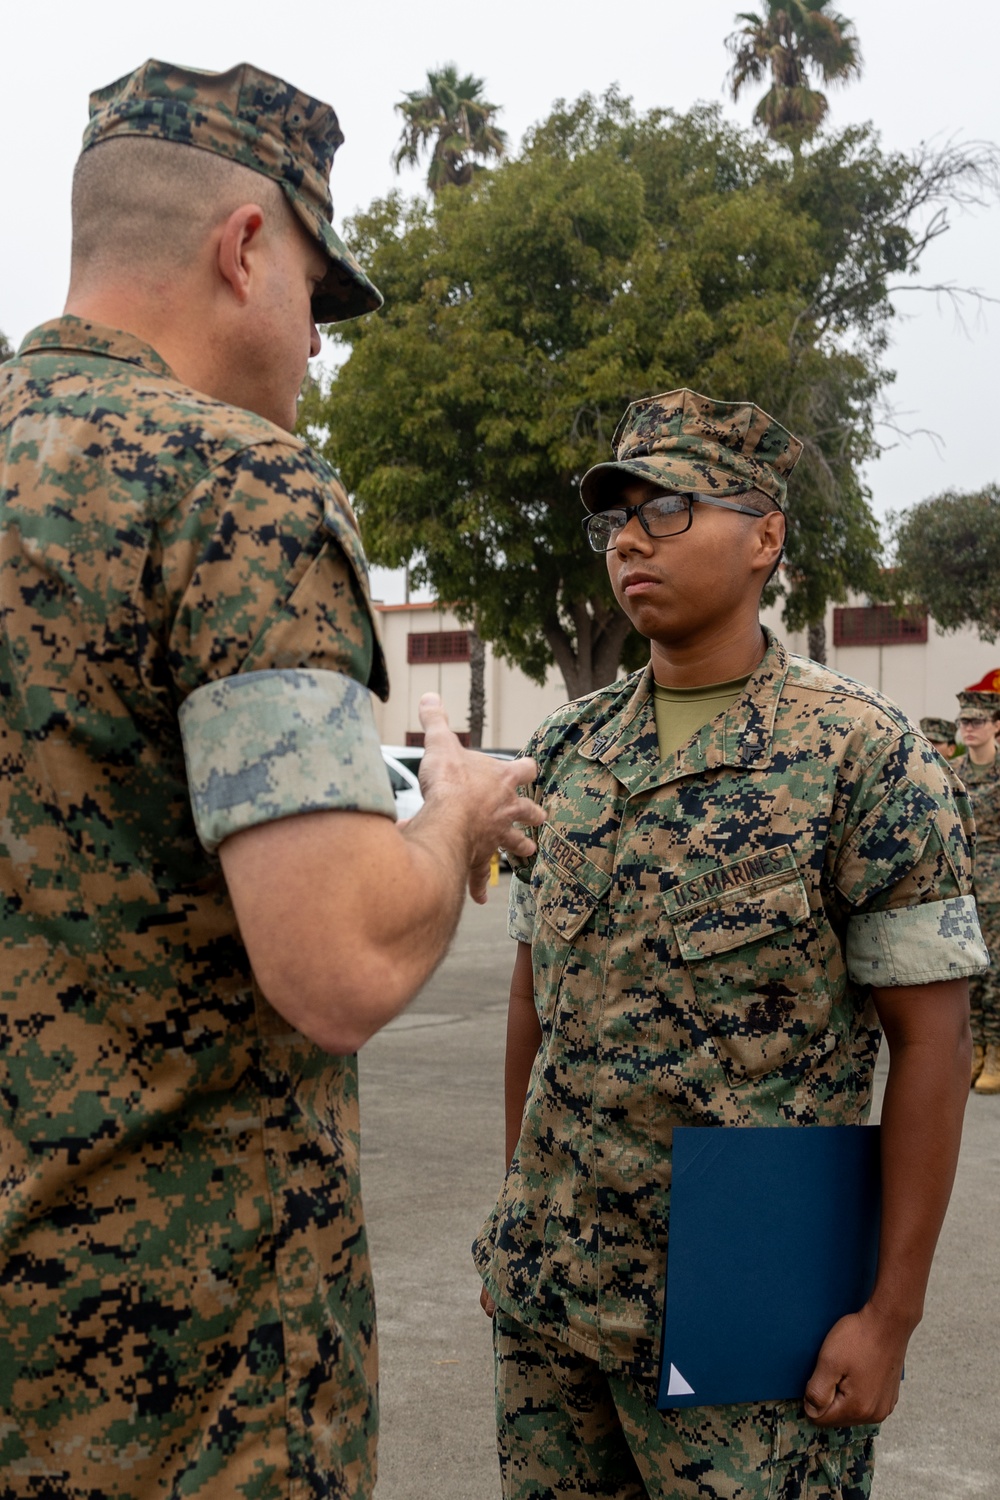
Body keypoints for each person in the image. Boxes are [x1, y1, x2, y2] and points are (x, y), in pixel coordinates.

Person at [0, 59, 543, 1500]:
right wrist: (455, 815)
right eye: (316, 293)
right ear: (246, 250)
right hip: (183, 1385)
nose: (316, 345)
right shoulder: (235, 488)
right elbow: (339, 962)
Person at [473, 388, 986, 1500]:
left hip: (753, 1317)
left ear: (766, 537)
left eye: (668, 510)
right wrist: (514, 1221)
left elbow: (934, 1043)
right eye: (615, 517)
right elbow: (532, 997)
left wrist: (889, 1315)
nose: (628, 541)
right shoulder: (572, 746)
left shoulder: (861, 754)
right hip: (554, 1302)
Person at [953, 675, 1000, 1093]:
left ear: (996, 725)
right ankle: (980, 1048)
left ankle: (997, 1052)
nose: (969, 728)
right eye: (964, 721)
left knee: (998, 973)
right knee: (974, 972)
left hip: (999, 888)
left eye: (978, 720)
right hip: (968, 886)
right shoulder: (954, 773)